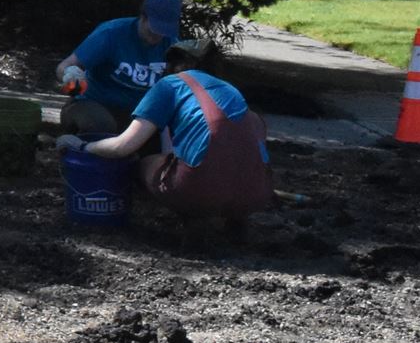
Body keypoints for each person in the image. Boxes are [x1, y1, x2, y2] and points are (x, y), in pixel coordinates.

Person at [58, 45, 274, 219]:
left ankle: (193, 221)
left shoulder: (172, 85)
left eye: (170, 62)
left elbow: (121, 147)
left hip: (202, 190)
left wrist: (81, 146)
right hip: (255, 194)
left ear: (183, 64)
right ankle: (235, 223)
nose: (165, 68)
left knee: (142, 162)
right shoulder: (230, 91)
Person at [58, 0, 188, 138]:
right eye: (154, 29)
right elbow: (64, 66)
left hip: (138, 113)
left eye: (164, 30)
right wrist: (71, 75)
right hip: (92, 102)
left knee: (167, 133)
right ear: (143, 17)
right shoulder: (111, 33)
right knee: (101, 126)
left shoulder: (172, 45)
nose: (158, 35)